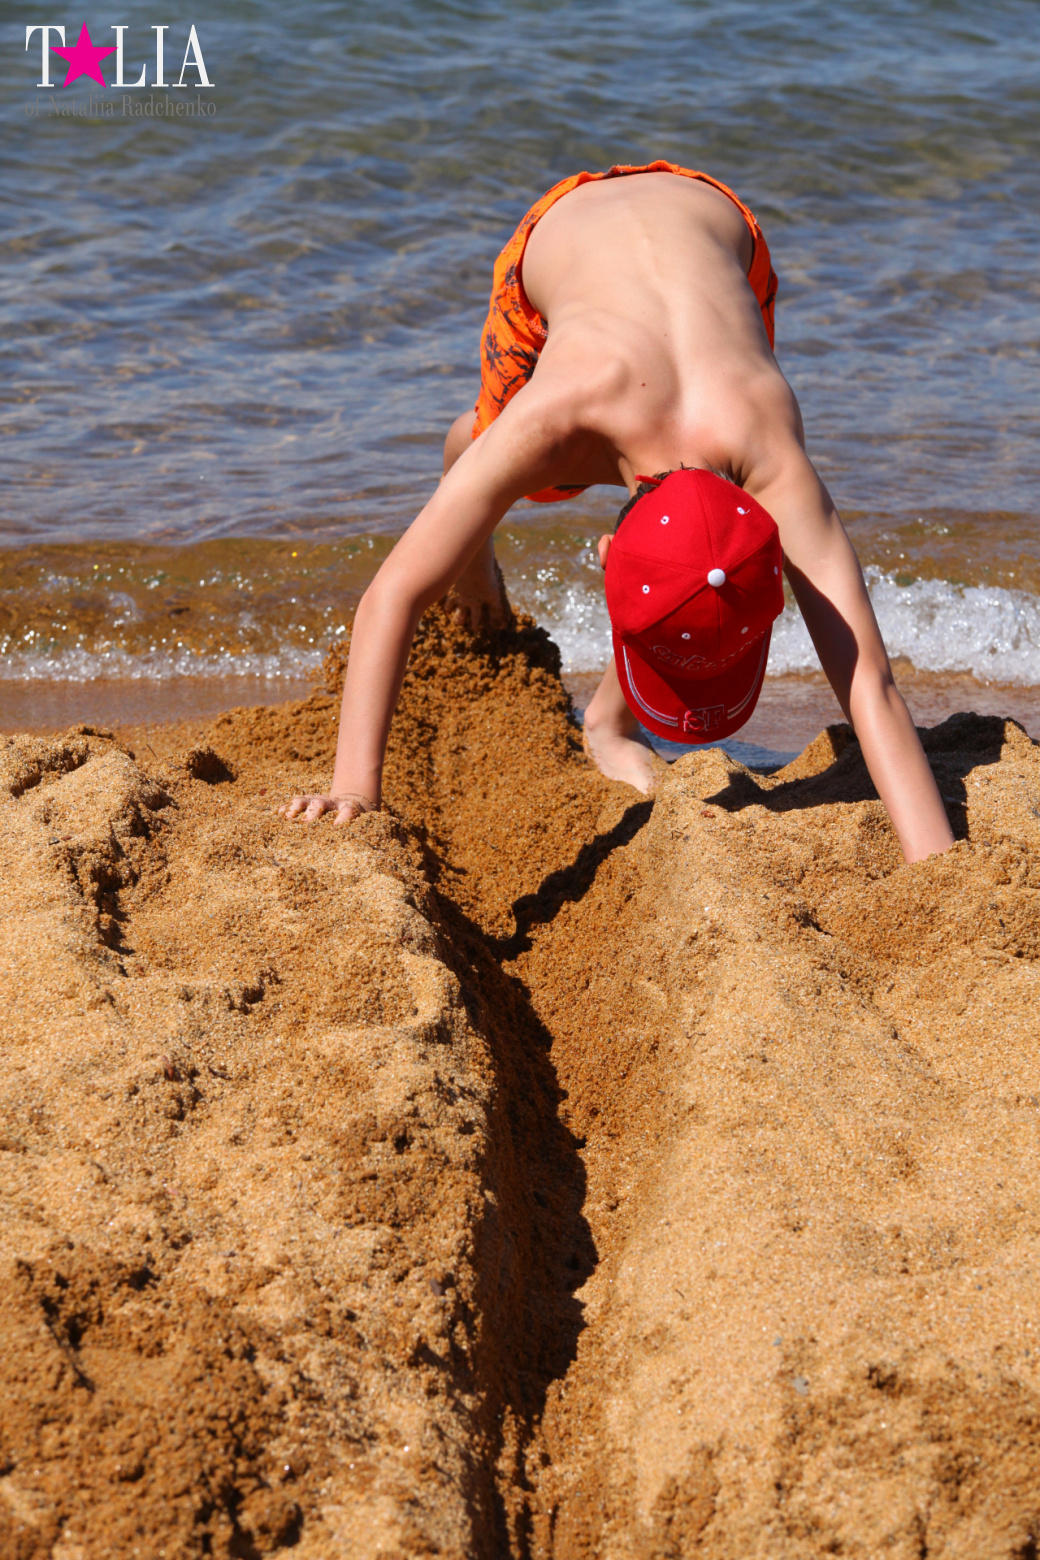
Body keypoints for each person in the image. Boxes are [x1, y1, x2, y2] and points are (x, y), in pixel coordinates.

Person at [283, 161, 954, 864]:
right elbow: (393, 595)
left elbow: (866, 682)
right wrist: (355, 788)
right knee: (493, 450)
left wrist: (936, 862)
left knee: (691, 571)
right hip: (563, 230)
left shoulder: (769, 451)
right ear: (604, 552)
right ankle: (474, 546)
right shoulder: (553, 423)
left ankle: (609, 721)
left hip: (723, 227)